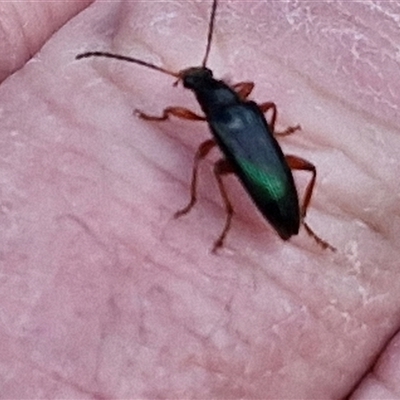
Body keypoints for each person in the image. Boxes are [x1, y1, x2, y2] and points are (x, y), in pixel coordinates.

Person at [1, 1, 398, 398]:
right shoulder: (241, 107)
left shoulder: (220, 119)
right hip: (264, 165)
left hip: (267, 177)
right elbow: (263, 111)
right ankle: (294, 221)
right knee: (285, 166)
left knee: (209, 162)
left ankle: (272, 219)